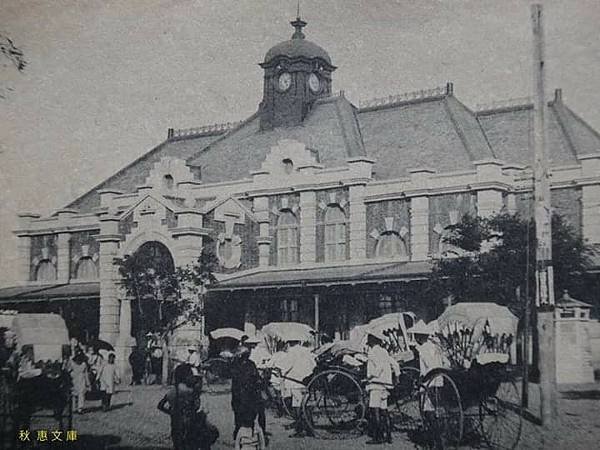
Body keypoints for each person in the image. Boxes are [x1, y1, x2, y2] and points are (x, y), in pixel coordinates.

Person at [158, 363, 216, 450]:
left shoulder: (172, 391)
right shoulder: (191, 391)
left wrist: (171, 412)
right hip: (190, 426)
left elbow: (160, 406)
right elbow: (197, 407)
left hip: (176, 425)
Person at [280, 337, 316, 437]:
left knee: (297, 406)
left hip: (295, 382)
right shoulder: (307, 351)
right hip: (306, 381)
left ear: (289, 342)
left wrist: (281, 371)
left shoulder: (292, 352)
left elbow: (286, 365)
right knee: (306, 405)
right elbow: (313, 365)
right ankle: (310, 428)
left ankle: (299, 429)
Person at [365, 330, 395, 444]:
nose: (367, 340)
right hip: (385, 385)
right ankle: (388, 435)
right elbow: (390, 364)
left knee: (374, 410)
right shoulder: (384, 351)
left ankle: (378, 437)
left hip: (376, 384)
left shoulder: (372, 352)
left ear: (373, 340)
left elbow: (379, 367)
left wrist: (369, 377)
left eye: (369, 338)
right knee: (384, 410)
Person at [230, 345, 261, 442]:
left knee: (239, 415)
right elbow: (256, 378)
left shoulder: (236, 365)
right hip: (246, 394)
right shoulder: (250, 364)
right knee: (247, 416)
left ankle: (239, 435)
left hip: (240, 394)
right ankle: (247, 435)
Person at [70, 349, 89, 414]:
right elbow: (68, 371)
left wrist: (88, 382)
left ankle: (80, 408)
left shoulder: (84, 364)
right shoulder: (72, 364)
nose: (78, 360)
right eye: (77, 358)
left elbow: (86, 373)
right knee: (74, 395)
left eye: (80, 358)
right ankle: (73, 408)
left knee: (81, 394)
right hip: (74, 380)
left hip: (82, 380)